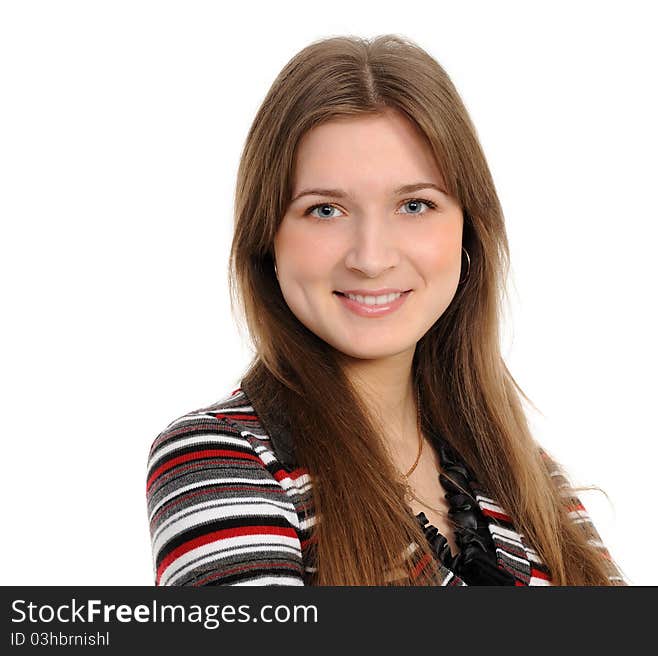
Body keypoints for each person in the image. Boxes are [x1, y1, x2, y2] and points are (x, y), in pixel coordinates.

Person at [146, 34, 627, 586]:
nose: (371, 259)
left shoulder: (532, 481)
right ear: (267, 236)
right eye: (324, 210)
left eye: (415, 205)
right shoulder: (219, 462)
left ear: (468, 232)